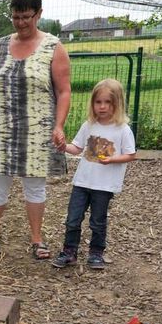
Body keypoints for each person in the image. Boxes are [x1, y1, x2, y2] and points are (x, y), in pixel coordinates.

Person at [0, 0, 71, 259]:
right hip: (2, 130)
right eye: (16, 17)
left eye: (26, 16)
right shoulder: (0, 47)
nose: (21, 22)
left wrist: (58, 126)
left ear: (39, 14)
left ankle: (37, 239)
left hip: (37, 131)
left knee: (34, 186)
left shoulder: (53, 47)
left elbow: (64, 92)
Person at [51, 78, 137, 270]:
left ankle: (96, 252)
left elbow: (131, 155)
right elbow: (77, 148)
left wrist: (111, 159)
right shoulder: (88, 125)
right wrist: (64, 146)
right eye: (98, 102)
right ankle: (69, 251)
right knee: (73, 219)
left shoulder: (123, 129)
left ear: (117, 104)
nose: (103, 107)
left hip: (104, 186)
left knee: (98, 221)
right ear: (93, 104)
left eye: (108, 102)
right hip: (82, 182)